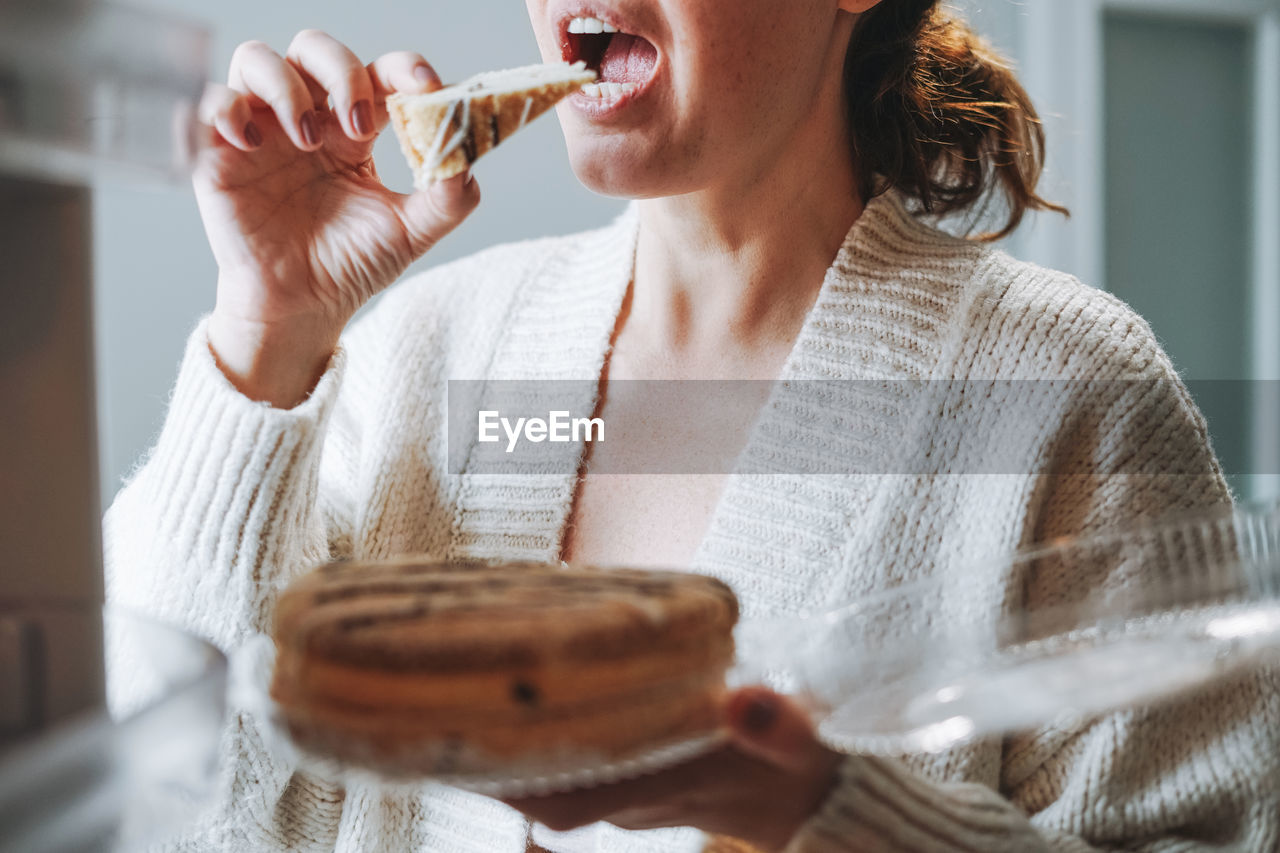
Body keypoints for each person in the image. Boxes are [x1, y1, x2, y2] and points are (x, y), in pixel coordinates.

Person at [104, 0, 1279, 850]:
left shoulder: (1068, 394)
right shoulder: (424, 349)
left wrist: (832, 818)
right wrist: (266, 332)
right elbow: (174, 810)